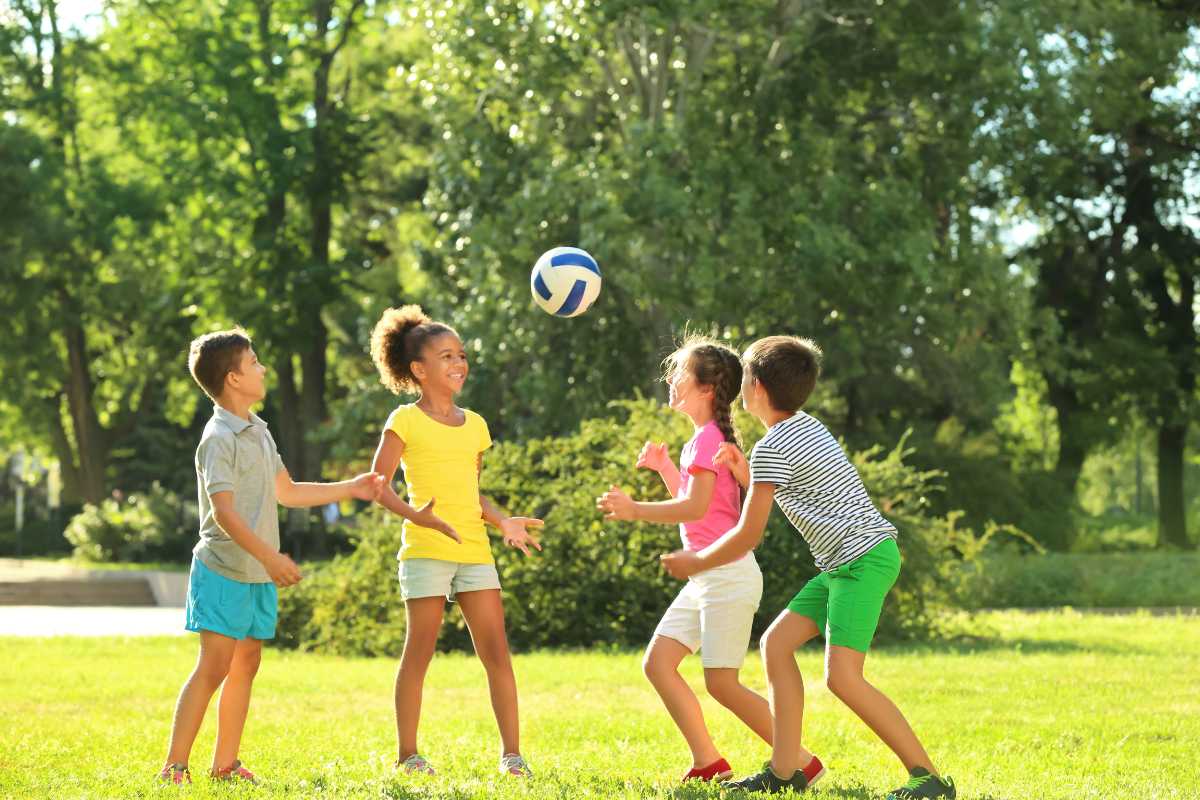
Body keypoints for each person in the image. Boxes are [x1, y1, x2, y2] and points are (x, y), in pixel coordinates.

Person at [662, 335, 955, 799]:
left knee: (843, 678)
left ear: (754, 387)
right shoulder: (804, 427)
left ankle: (928, 777)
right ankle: (784, 772)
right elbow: (795, 488)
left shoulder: (772, 449)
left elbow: (748, 533)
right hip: (844, 563)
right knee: (776, 645)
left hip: (861, 562)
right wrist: (746, 471)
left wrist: (696, 559)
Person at [159, 328, 384, 786]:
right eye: (255, 362)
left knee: (248, 662)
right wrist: (273, 557)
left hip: (255, 571)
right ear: (234, 378)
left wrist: (353, 487)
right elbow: (223, 513)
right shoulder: (218, 437)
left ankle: (224, 765)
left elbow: (288, 491)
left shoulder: (258, 428)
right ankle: (174, 767)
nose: (263, 368)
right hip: (223, 569)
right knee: (215, 666)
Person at [369, 305, 543, 778]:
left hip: (473, 550)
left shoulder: (477, 425)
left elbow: (473, 493)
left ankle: (512, 755)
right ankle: (409, 754)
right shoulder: (404, 421)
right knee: (419, 652)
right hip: (425, 551)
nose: (459, 364)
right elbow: (377, 486)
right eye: (446, 357)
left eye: (462, 355)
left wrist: (503, 521)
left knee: (496, 652)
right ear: (419, 370)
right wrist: (417, 517)